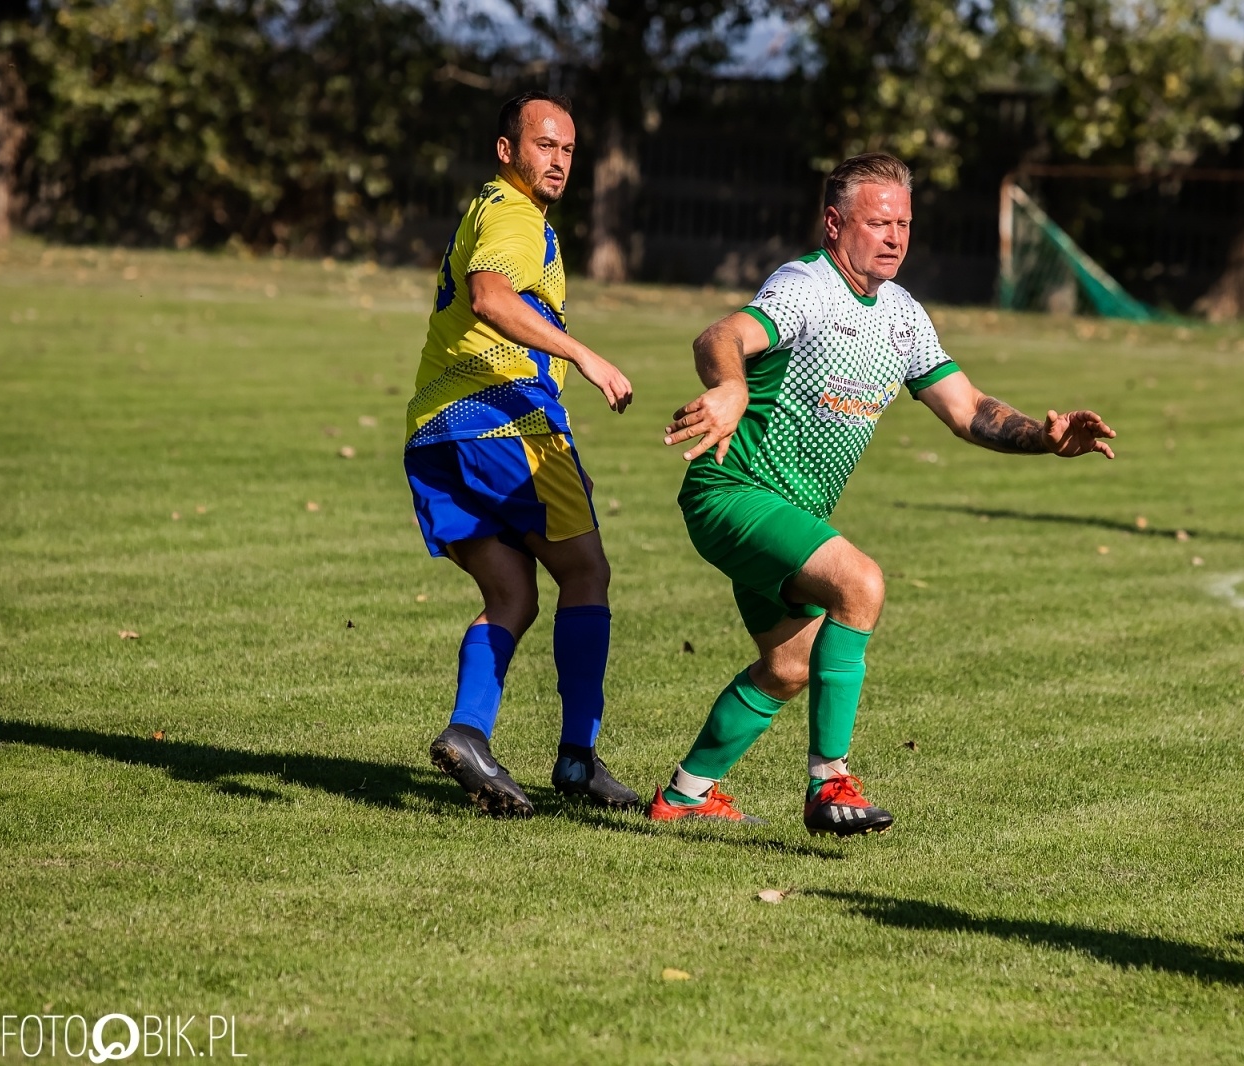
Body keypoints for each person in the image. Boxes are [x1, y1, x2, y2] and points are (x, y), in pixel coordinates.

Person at [649, 153, 1116, 836]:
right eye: (879, 222)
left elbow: (968, 409)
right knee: (860, 583)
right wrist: (731, 384)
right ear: (836, 223)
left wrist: (1044, 439)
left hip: (787, 512)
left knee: (789, 665)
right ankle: (829, 782)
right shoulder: (807, 287)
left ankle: (685, 795)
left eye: (904, 222)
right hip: (733, 490)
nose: (895, 236)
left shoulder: (901, 315)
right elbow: (721, 335)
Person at [404, 92, 642, 818]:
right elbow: (490, 297)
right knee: (587, 571)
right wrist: (586, 357)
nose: (559, 160)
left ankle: (468, 733)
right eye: (544, 145)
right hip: (505, 428)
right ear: (506, 150)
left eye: (568, 149)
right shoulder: (512, 215)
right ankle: (577, 755)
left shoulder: (485, 208)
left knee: (512, 594)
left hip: (435, 435)